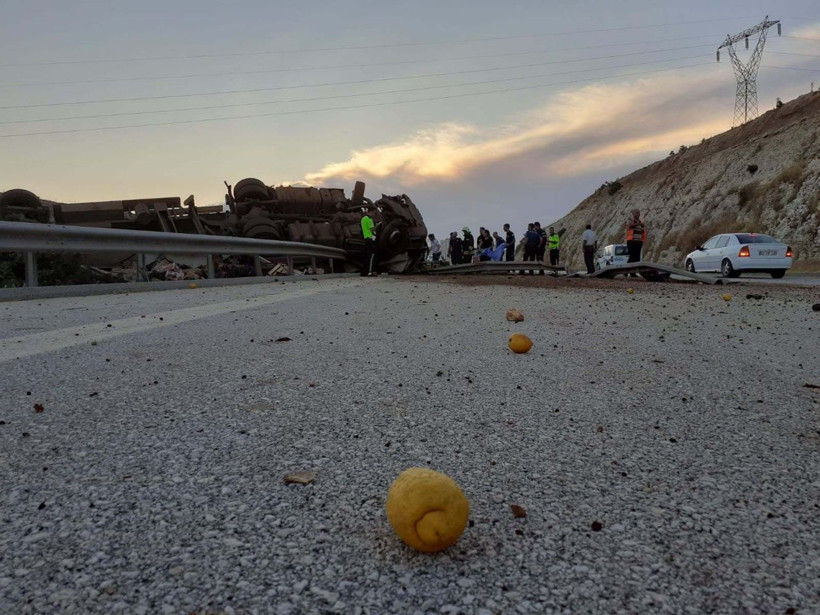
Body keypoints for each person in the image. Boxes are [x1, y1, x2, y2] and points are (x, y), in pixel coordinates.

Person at [360, 207, 377, 276]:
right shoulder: (369, 219)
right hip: (370, 239)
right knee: (371, 256)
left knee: (366, 256)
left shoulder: (363, 219)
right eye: (374, 213)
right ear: (371, 211)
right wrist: (377, 226)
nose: (374, 214)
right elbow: (372, 229)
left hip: (365, 239)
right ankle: (370, 272)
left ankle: (364, 272)